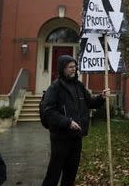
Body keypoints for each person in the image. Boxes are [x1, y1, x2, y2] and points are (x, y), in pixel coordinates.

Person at [41, 55, 109, 186]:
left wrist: (101, 97)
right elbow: (48, 111)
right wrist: (67, 122)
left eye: (75, 66)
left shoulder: (79, 86)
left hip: (76, 138)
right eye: (70, 67)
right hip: (60, 139)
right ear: (62, 69)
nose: (74, 69)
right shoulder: (55, 88)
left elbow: (90, 102)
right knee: (53, 175)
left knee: (70, 175)